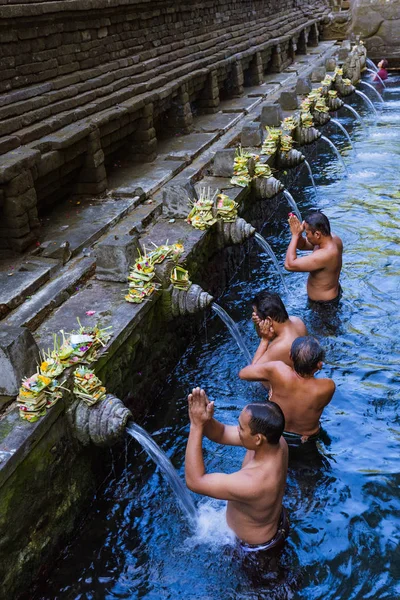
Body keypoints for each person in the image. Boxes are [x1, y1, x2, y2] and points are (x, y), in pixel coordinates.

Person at [185, 387, 289, 554]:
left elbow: (194, 481)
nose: (237, 430)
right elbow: (222, 433)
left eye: (241, 427)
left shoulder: (253, 482)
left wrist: (196, 426)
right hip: (276, 523)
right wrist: (205, 419)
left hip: (257, 552)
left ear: (257, 439)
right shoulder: (275, 441)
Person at [239, 336, 335, 448]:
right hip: (305, 440)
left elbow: (244, 374)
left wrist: (264, 341)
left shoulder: (277, 370)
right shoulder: (327, 386)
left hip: (275, 433)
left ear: (290, 356)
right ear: (319, 365)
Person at [284, 211, 343, 304]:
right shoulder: (332, 239)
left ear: (317, 234)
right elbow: (302, 245)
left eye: (306, 233)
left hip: (324, 306)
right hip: (330, 295)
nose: (306, 236)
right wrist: (299, 232)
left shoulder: (325, 255)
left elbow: (289, 265)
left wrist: (295, 236)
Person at [251, 290, 307, 375]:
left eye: (257, 315)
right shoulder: (297, 321)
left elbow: (252, 372)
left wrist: (264, 340)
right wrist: (257, 324)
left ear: (268, 320)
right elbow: (265, 333)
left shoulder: (280, 347)